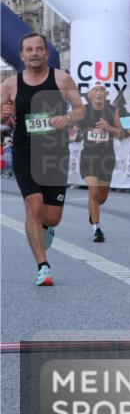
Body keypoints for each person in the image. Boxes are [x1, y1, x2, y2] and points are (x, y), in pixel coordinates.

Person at [0, 32, 85, 286]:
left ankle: (46, 229)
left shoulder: (62, 79)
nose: (34, 53)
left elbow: (80, 109)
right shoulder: (10, 85)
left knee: (52, 217)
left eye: (39, 49)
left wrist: (67, 119)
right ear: (22, 55)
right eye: (29, 49)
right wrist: (3, 114)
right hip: (25, 152)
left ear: (47, 53)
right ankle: (43, 266)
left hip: (55, 153)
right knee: (33, 206)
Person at [78, 83, 124, 242]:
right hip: (89, 156)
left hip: (107, 156)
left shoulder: (113, 110)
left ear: (106, 95)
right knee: (93, 188)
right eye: (96, 90)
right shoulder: (82, 110)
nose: (99, 93)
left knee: (101, 197)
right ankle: (97, 228)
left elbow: (121, 134)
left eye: (102, 90)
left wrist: (108, 127)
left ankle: (93, 211)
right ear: (90, 94)